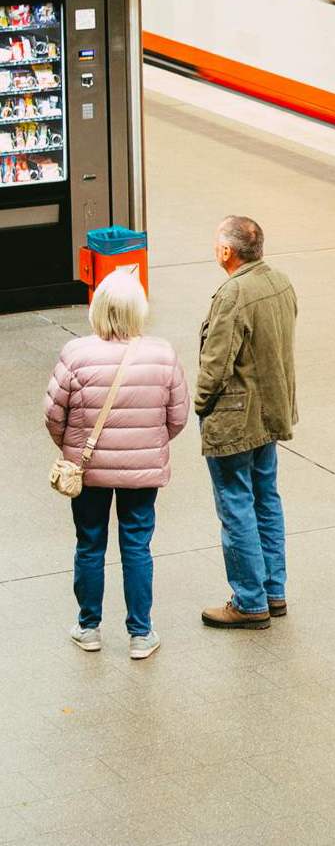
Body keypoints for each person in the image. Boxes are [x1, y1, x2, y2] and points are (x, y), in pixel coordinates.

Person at [43, 269, 189, 659]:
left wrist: (72, 448)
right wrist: (146, 445)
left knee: (89, 543)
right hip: (142, 472)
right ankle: (141, 634)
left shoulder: (76, 354)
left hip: (87, 471)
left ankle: (89, 627)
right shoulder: (162, 353)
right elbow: (177, 417)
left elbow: (53, 414)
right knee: (137, 546)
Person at [196, 215, 297, 630]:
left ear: (226, 251)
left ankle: (249, 601)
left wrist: (201, 404)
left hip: (236, 419)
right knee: (266, 499)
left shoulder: (233, 294)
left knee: (236, 504)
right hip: (269, 412)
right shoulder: (280, 282)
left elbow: (216, 365)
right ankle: (274, 593)